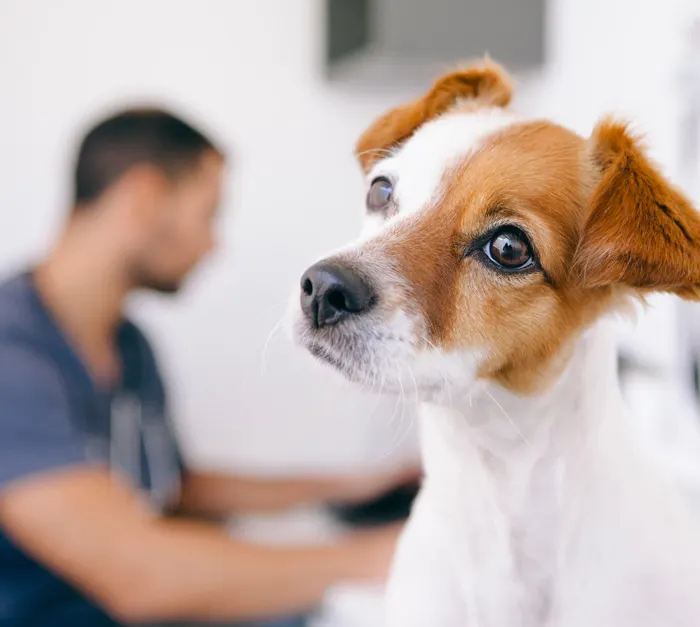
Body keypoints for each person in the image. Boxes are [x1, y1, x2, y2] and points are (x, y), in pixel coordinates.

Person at [0, 109, 415, 627]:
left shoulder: (129, 347)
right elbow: (140, 577)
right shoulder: (11, 352)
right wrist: (387, 553)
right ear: (143, 198)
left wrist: (344, 486)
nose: (214, 244)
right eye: (209, 213)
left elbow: (174, 487)